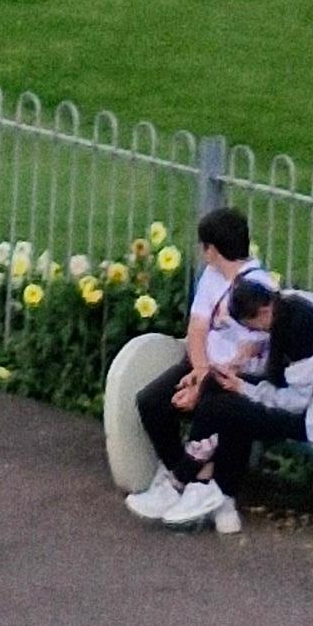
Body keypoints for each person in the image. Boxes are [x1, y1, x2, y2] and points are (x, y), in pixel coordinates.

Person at [131, 268, 313, 532]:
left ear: (263, 313)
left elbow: (296, 402)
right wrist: (226, 372)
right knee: (217, 388)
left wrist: (245, 388)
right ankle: (213, 491)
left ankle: (187, 481)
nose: (255, 333)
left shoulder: (301, 334)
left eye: (250, 326)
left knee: (222, 409)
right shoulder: (286, 302)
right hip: (304, 398)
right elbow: (277, 372)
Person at [126, 206, 256, 521]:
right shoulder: (211, 277)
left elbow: (249, 351)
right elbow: (197, 329)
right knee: (153, 401)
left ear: (213, 249)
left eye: (204, 246)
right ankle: (192, 474)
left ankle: (188, 483)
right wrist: (198, 372)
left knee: (210, 409)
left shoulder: (254, 287)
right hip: (204, 366)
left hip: (233, 374)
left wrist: (205, 383)